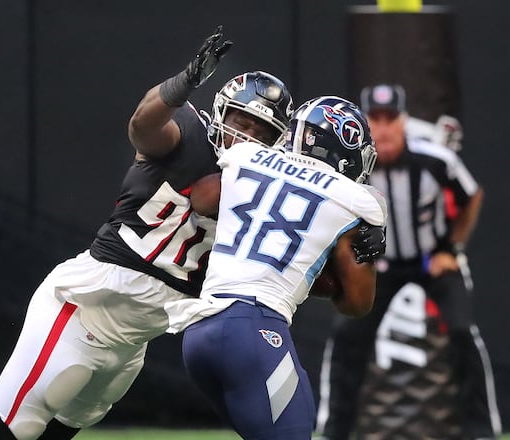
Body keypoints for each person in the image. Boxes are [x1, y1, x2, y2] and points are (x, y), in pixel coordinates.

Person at [0, 26, 298, 440]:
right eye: (240, 121)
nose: (246, 136)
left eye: (261, 132)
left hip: (134, 340)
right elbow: (143, 124)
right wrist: (184, 82)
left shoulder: (265, 196)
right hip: (84, 305)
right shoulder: (188, 133)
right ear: (221, 112)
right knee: (1, 433)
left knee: (53, 437)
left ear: (279, 143)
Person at [161, 96, 387, 439]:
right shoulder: (355, 200)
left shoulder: (247, 156)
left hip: (199, 333)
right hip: (253, 329)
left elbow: (203, 198)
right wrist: (365, 250)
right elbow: (358, 304)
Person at [316, 84, 501, 440]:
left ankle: (481, 432)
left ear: (404, 122)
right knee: (347, 338)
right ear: (365, 124)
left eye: (390, 119)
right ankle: (333, 431)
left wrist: (451, 247)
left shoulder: (435, 160)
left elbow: (471, 196)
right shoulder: (352, 164)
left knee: (463, 332)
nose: (384, 128)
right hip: (381, 265)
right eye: (376, 120)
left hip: (432, 260)